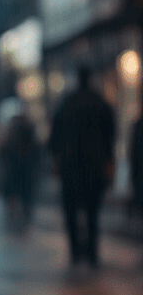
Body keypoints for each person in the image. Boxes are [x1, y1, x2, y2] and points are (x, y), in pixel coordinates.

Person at [49, 66, 115, 265]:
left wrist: (56, 159)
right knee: (93, 211)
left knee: (71, 212)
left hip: (71, 166)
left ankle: (76, 252)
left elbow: (54, 138)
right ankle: (92, 253)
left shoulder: (67, 103)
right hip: (95, 166)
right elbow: (111, 136)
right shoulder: (101, 104)